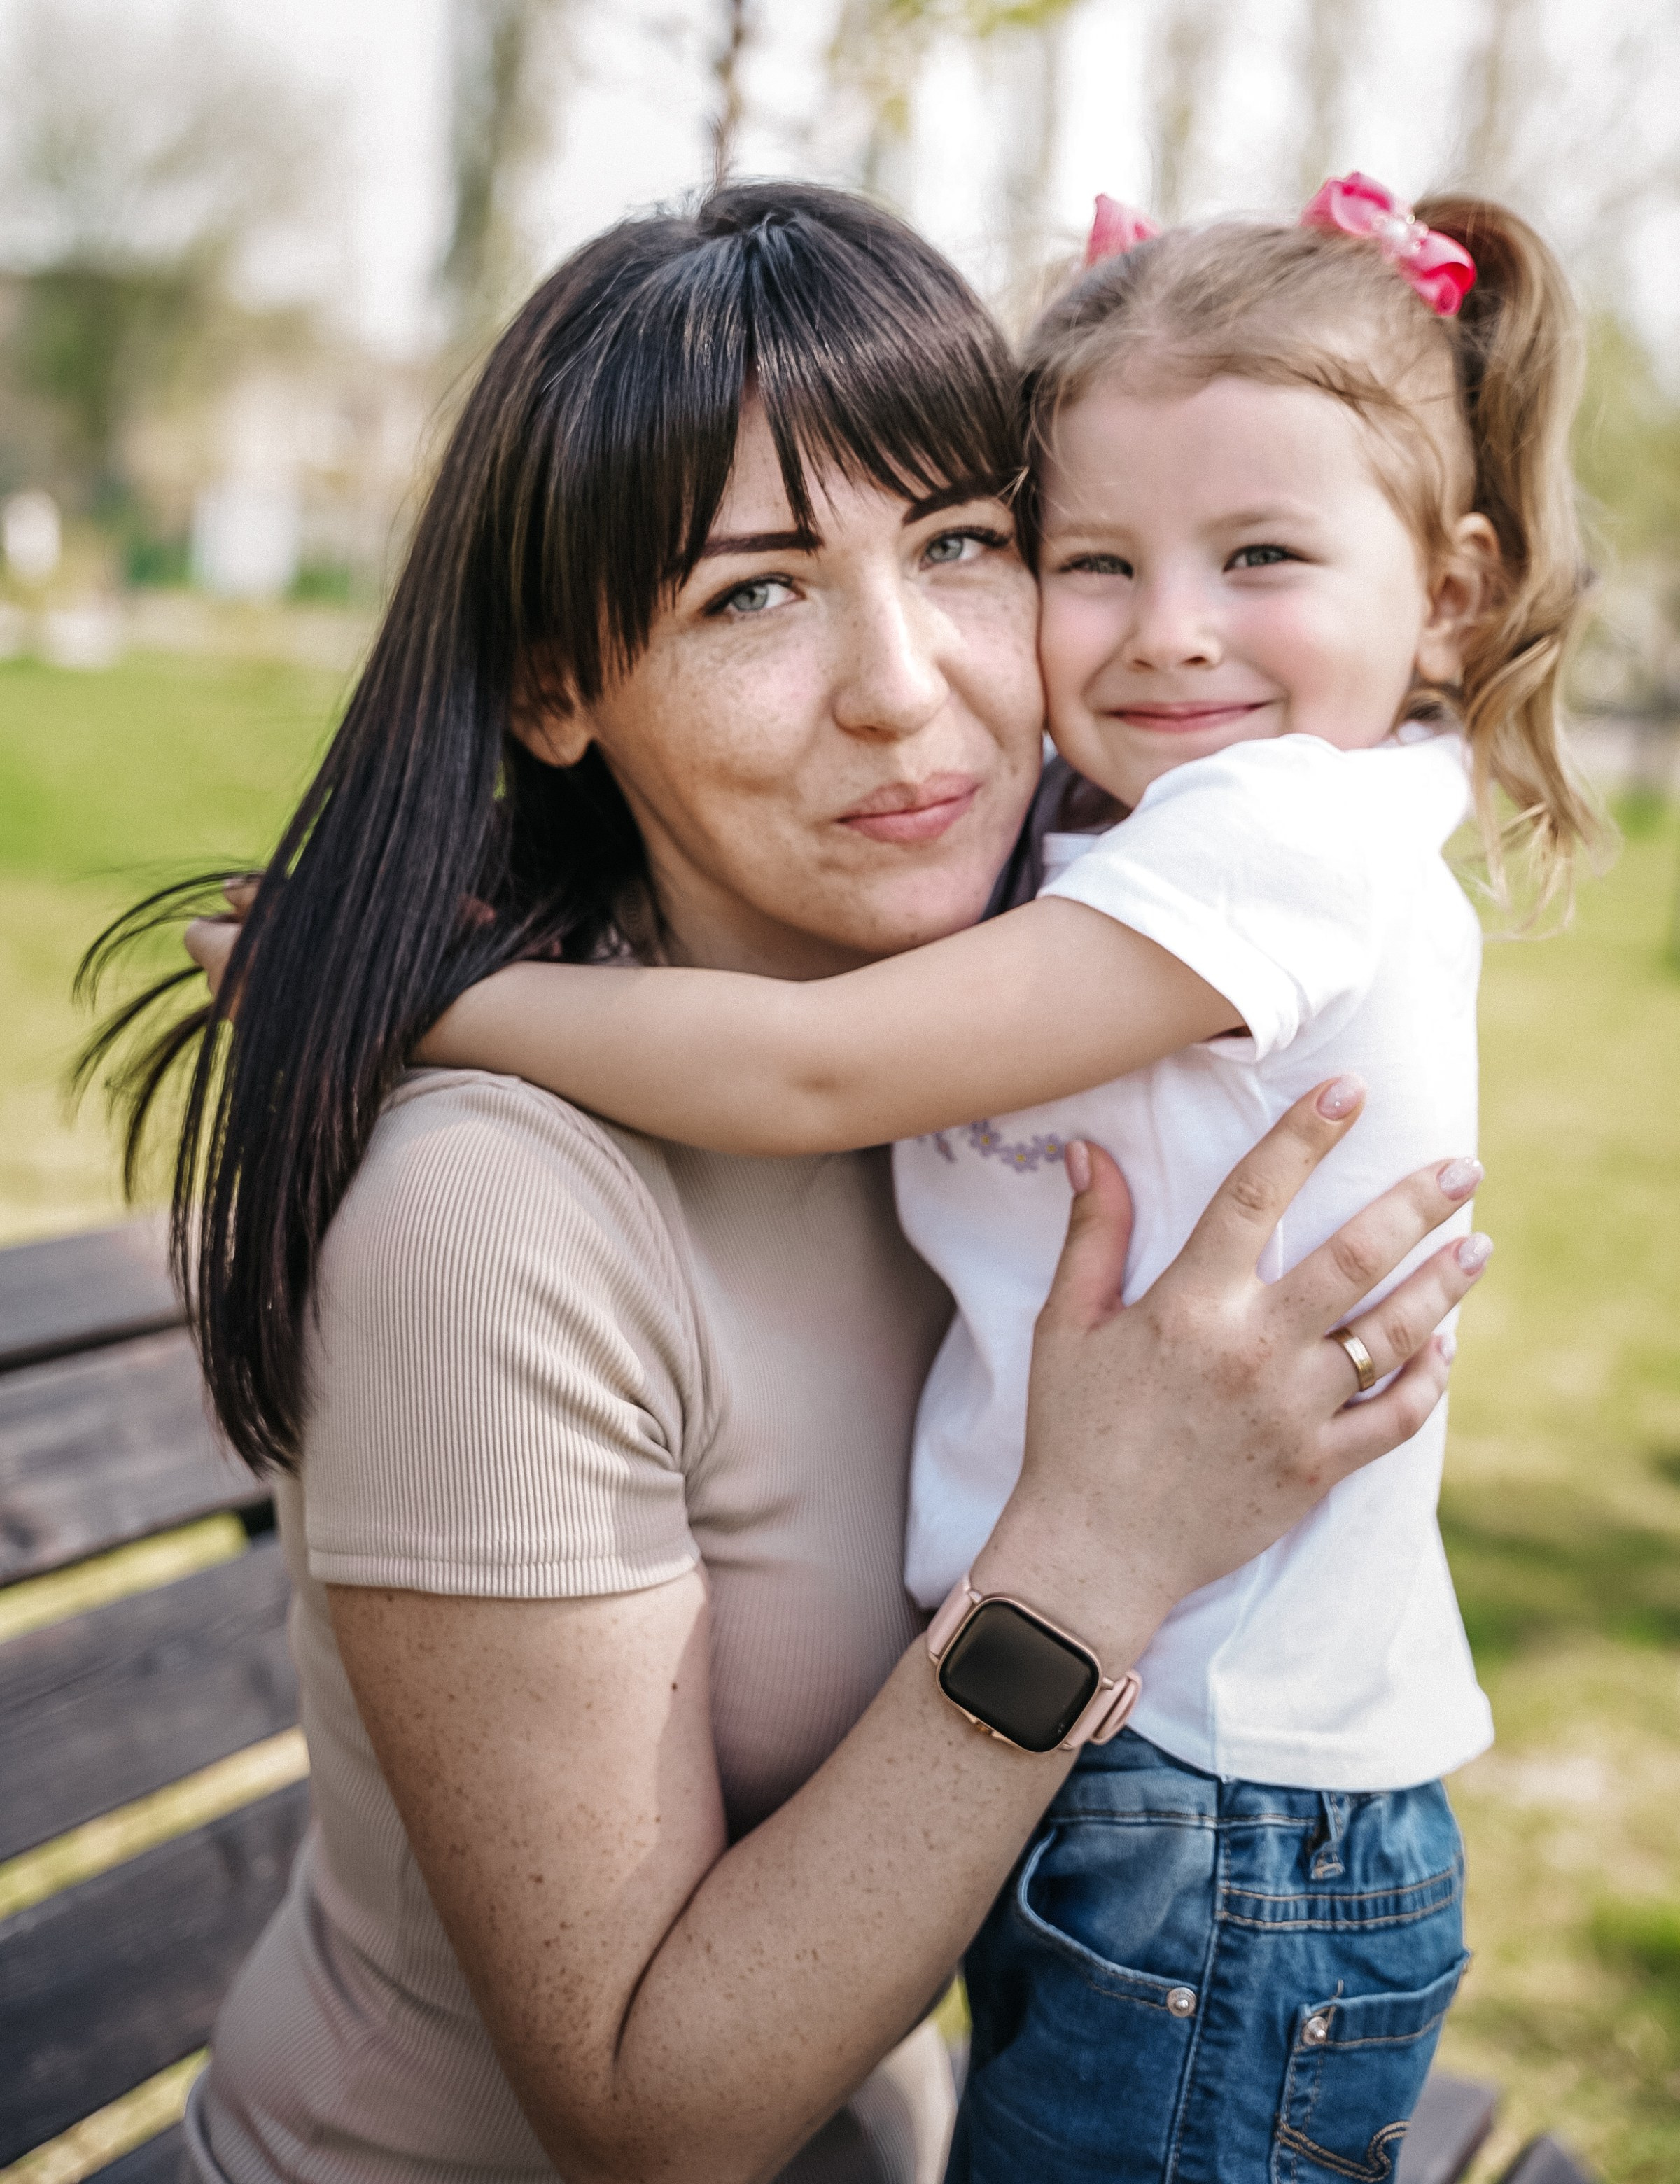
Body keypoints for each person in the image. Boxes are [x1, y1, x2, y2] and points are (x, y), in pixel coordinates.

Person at [144, 181, 1484, 2184]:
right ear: (553, 691)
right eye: (751, 594)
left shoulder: (1005, 1056)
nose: (904, 685)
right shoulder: (497, 1214)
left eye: (962, 546)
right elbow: (650, 2117)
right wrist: (1094, 1554)